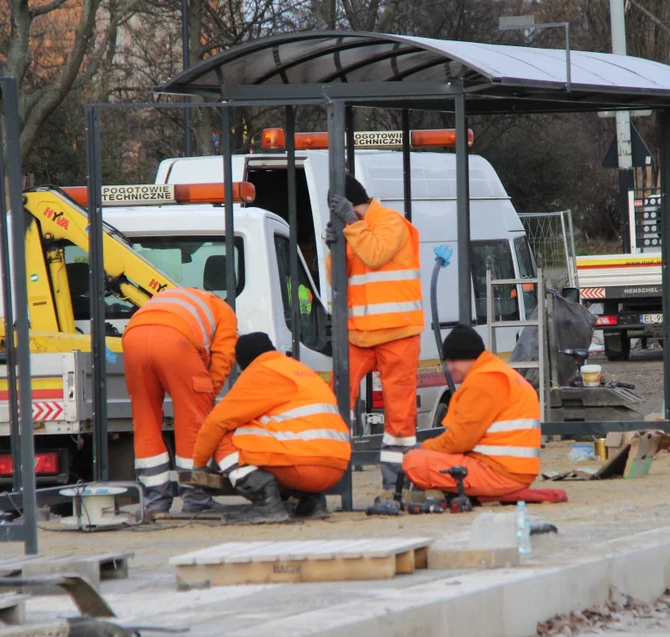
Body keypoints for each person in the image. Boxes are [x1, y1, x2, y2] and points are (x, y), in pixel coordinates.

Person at [326, 175, 422, 491]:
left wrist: (351, 225)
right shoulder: (354, 228)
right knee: (334, 398)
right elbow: (337, 278)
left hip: (397, 330)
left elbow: (376, 254)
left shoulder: (391, 221)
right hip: (358, 333)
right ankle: (329, 464)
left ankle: (398, 479)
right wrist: (334, 248)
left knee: (399, 410)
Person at [193, 332, 350, 522]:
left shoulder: (261, 372)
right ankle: (312, 502)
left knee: (225, 437)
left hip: (305, 466)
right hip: (334, 466)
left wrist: (199, 465)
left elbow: (217, 422)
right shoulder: (298, 370)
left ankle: (267, 503)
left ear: (245, 361)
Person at [122, 287, 237, 515]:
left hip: (133, 338)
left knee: (145, 422)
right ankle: (196, 499)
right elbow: (223, 357)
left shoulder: (174, 298)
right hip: (176, 340)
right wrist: (206, 394)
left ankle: (155, 502)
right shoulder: (224, 311)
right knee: (193, 423)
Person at [401, 324, 541, 497]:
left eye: (453, 361)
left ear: (469, 357)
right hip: (512, 469)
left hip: (498, 473)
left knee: (413, 462)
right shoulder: (497, 373)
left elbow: (458, 441)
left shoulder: (483, 382)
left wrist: (422, 447)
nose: (449, 367)